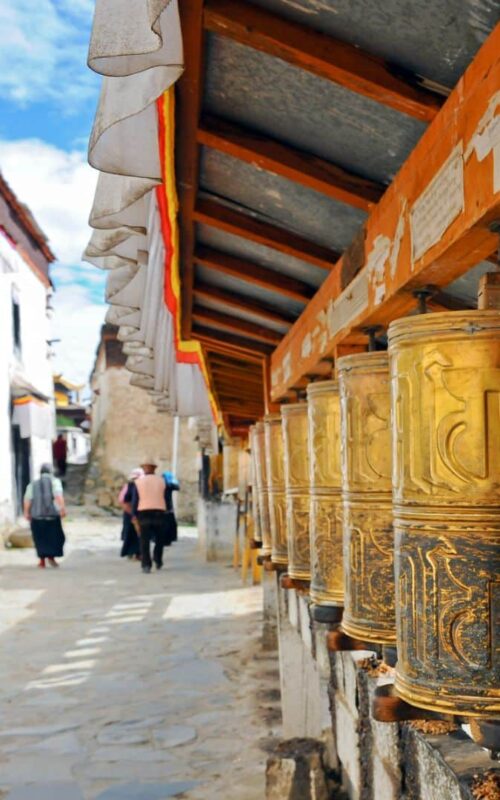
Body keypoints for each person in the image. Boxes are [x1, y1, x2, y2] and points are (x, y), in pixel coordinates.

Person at [131, 458, 170, 574]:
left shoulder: (138, 482)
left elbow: (135, 500)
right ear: (155, 468)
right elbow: (167, 498)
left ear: (143, 468)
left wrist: (134, 515)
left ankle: (146, 565)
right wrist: (167, 510)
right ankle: (158, 559)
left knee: (144, 540)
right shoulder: (162, 481)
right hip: (159, 511)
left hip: (143, 512)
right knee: (159, 539)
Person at [23, 463, 66, 568]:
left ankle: (42, 561)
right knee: (55, 537)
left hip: (37, 516)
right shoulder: (55, 482)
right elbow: (58, 496)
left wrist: (26, 512)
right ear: (51, 472)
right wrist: (62, 509)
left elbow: (28, 500)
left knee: (40, 538)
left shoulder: (32, 484)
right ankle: (52, 558)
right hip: (52, 516)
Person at [118, 467, 143, 560]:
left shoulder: (131, 486)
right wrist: (131, 512)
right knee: (132, 533)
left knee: (137, 534)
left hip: (135, 512)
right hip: (132, 513)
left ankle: (137, 553)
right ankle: (132, 553)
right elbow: (122, 500)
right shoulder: (129, 486)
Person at [162, 470, 180, 547]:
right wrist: (173, 481)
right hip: (167, 508)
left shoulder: (162, 484)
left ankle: (165, 539)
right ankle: (168, 539)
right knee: (169, 525)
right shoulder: (169, 485)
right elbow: (177, 487)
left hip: (161, 507)